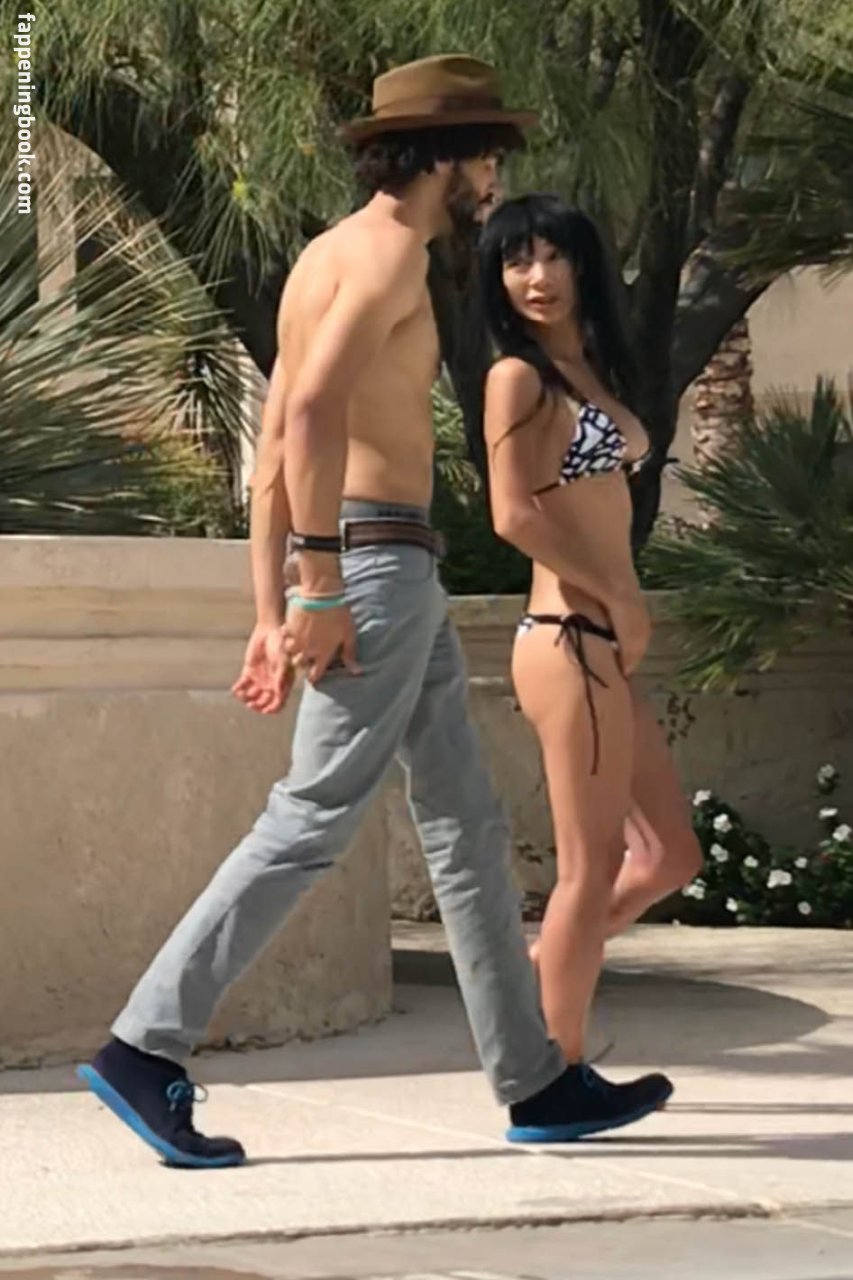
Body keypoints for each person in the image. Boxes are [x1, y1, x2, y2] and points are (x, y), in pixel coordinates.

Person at [77, 60, 673, 1170]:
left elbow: (275, 442)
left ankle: (536, 1078)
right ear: (453, 158)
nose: (494, 181)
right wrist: (314, 585)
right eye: (488, 157)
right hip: (374, 565)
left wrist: (272, 602)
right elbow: (307, 412)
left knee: (465, 827)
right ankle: (143, 1046)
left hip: (379, 568)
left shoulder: (325, 256)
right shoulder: (394, 253)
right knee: (311, 816)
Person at [478, 193, 703, 1066]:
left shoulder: (591, 373)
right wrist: (620, 594)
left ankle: (541, 975)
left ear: (583, 265)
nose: (535, 277)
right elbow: (511, 514)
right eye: (515, 260)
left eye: (552, 256)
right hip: (567, 633)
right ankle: (555, 1068)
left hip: (600, 643)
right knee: (591, 865)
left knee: (670, 856)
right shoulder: (517, 377)